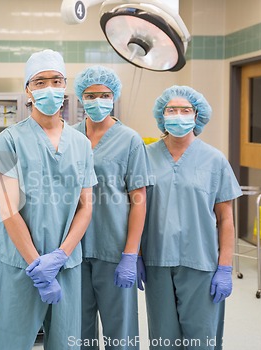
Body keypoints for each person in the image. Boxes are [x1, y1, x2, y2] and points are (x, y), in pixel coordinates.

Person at [0, 49, 97, 350]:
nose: (49, 88)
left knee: (66, 344)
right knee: (9, 343)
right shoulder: (8, 140)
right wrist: (37, 264)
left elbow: (86, 207)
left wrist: (60, 255)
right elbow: (8, 210)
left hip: (66, 264)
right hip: (21, 265)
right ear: (28, 90)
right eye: (39, 82)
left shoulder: (81, 144)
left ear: (65, 87)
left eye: (56, 80)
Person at [140, 85, 242, 350]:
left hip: (201, 263)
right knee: (162, 339)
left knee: (201, 340)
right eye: (171, 110)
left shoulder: (214, 160)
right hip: (157, 261)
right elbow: (135, 210)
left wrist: (225, 268)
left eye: (185, 110)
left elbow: (226, 219)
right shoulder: (145, 157)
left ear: (197, 116)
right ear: (161, 116)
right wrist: (135, 255)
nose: (178, 115)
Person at [73, 66, 152, 350]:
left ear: (114, 96)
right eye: (91, 95)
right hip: (74, 249)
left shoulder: (130, 140)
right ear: (80, 97)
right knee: (78, 332)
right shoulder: (70, 137)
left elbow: (139, 201)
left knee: (121, 332)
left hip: (114, 249)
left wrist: (131, 254)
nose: (97, 100)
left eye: (104, 94)